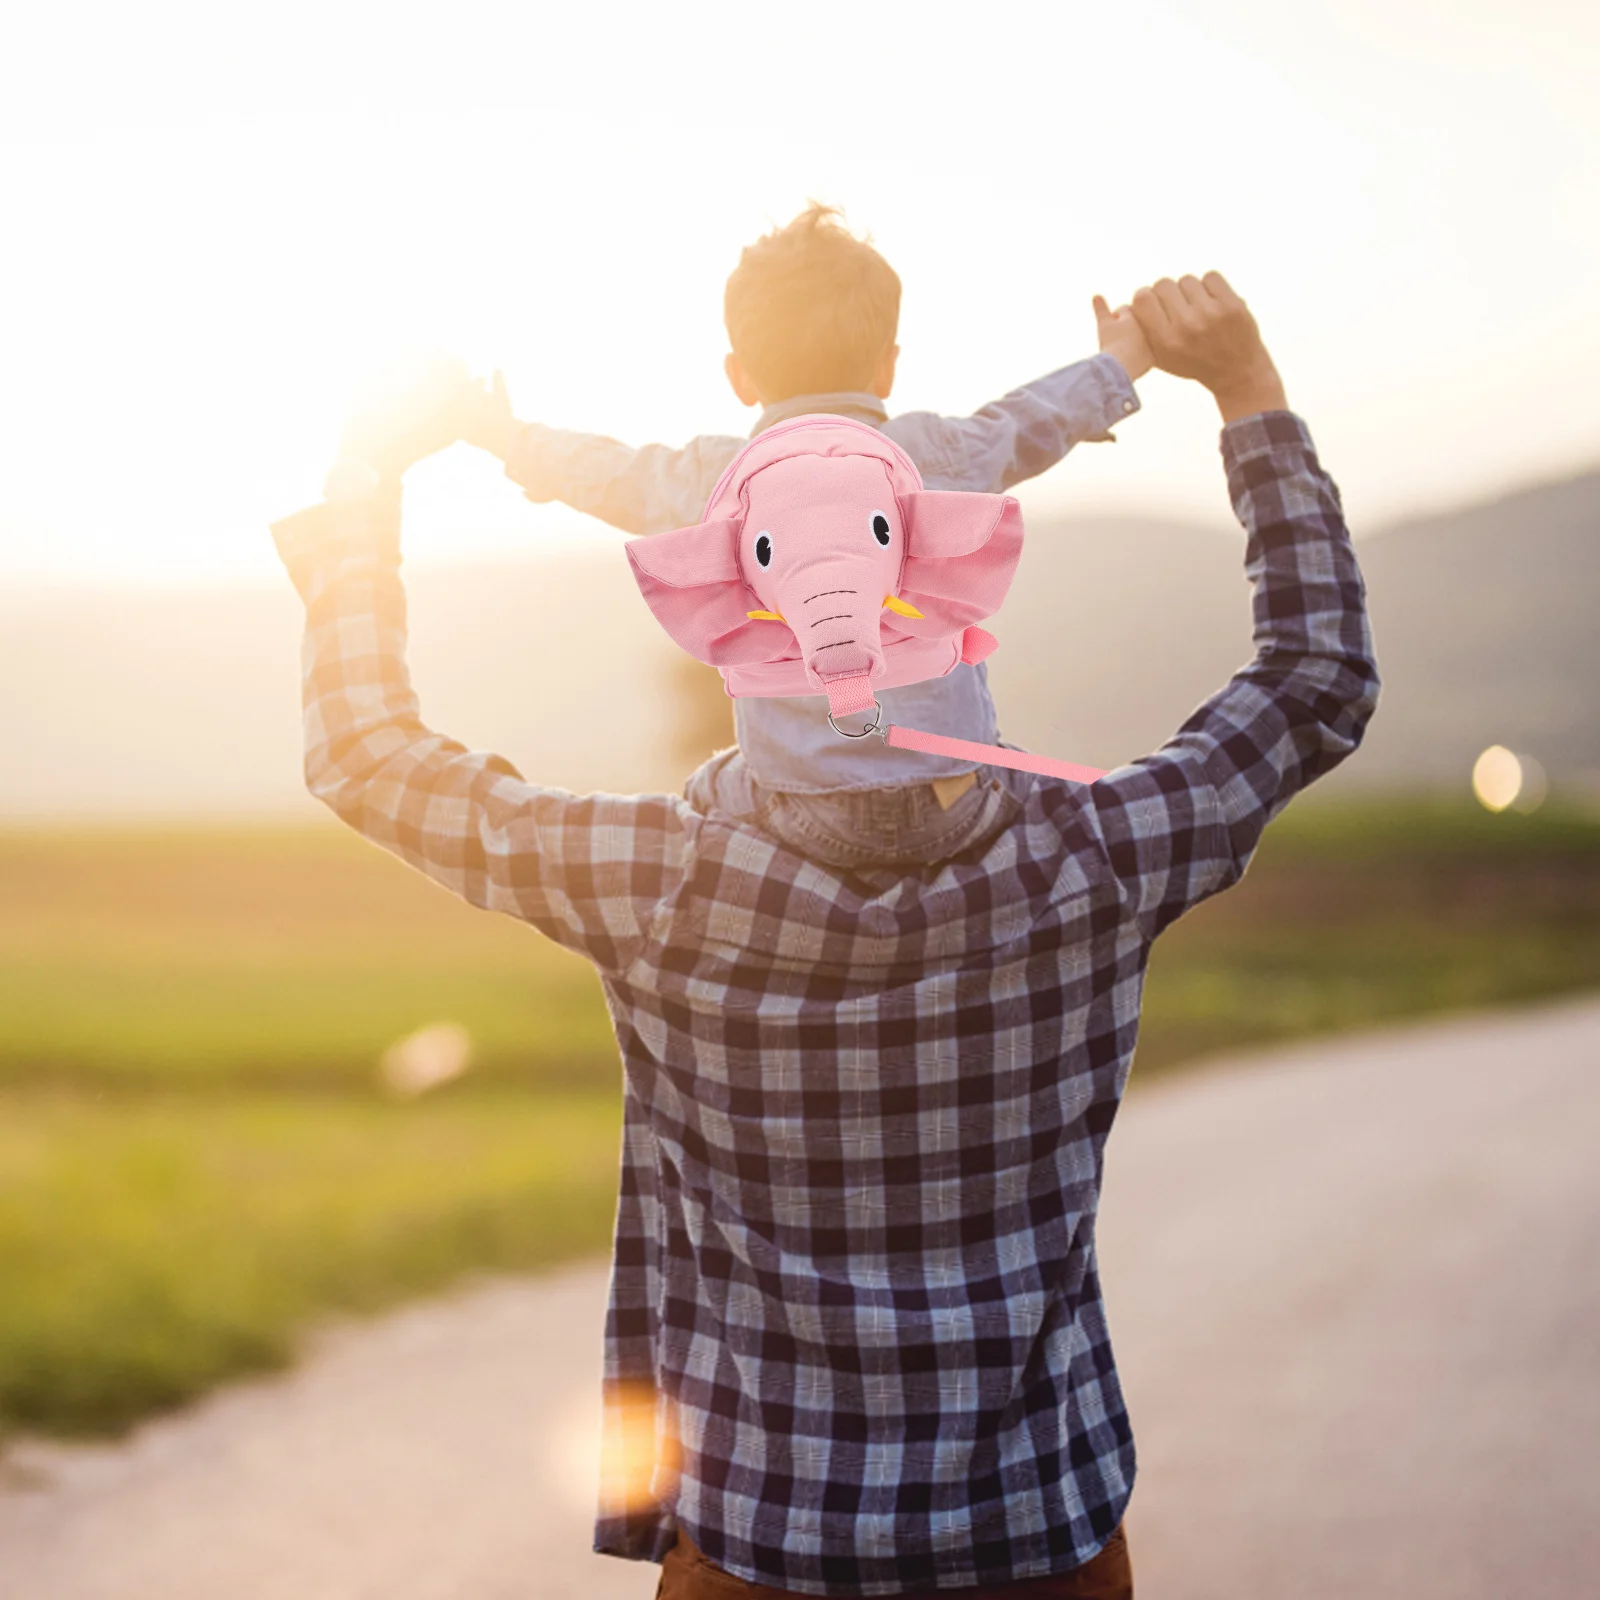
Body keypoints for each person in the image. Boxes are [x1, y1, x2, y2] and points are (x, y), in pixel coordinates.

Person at [272, 271, 1378, 1598]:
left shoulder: (661, 884)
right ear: (955, 580)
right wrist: (1247, 393)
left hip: (764, 1552)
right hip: (1038, 1538)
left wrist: (364, 486)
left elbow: (368, 757)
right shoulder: (1093, 861)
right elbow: (1313, 681)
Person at [449, 203, 1151, 864]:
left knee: (707, 787)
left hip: (800, 817)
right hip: (952, 805)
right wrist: (1116, 363)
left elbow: (610, 472)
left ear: (739, 376)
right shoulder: (934, 456)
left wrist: (507, 438)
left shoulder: (717, 481)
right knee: (1007, 759)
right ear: (887, 365)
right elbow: (1029, 420)